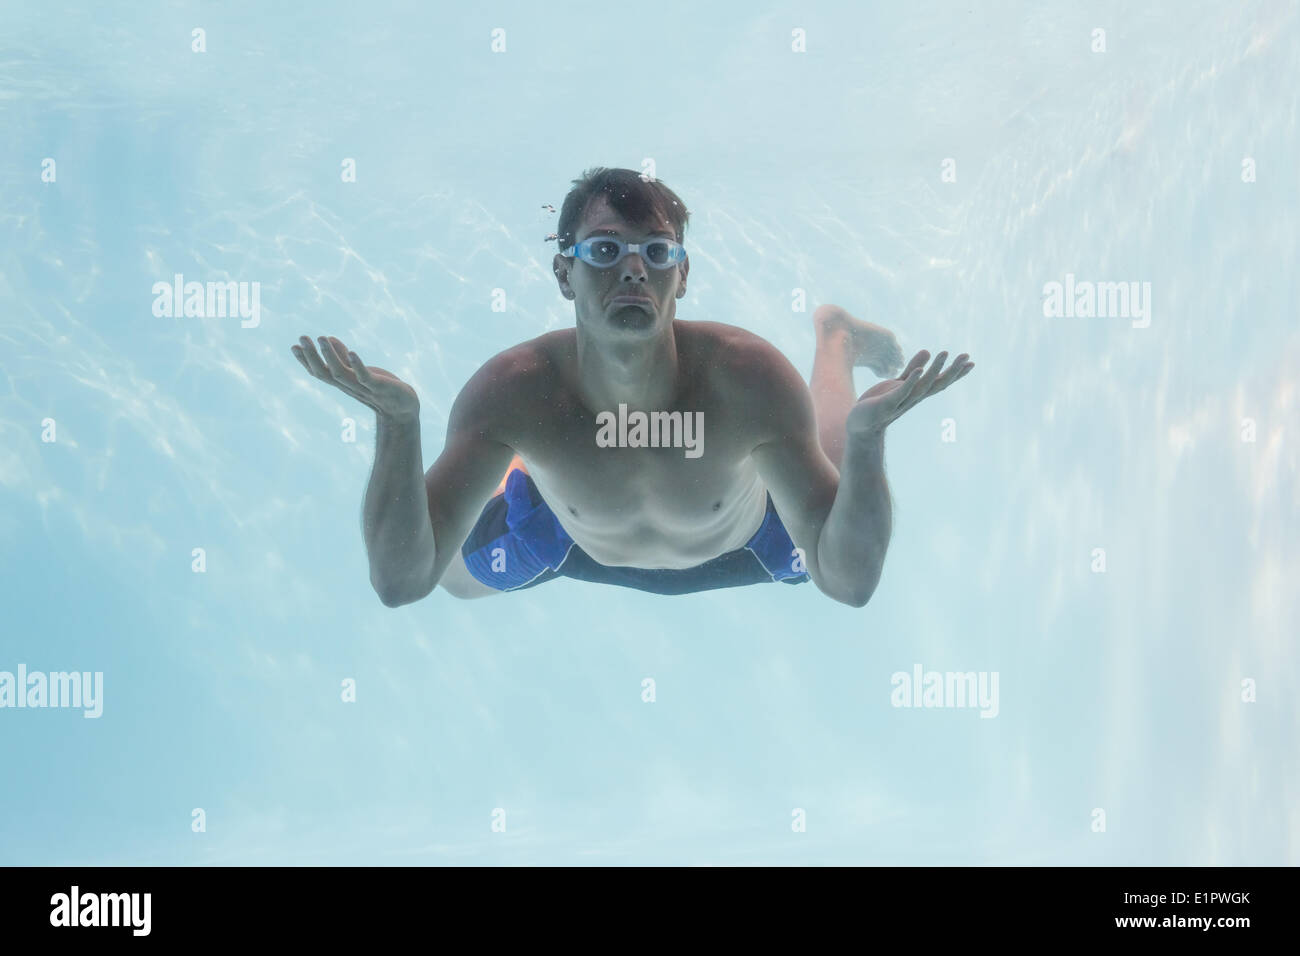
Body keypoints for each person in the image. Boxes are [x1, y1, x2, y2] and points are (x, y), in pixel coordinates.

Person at [290, 167, 973, 605]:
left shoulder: (747, 378)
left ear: (684, 275)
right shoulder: (510, 390)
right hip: (570, 537)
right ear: (565, 274)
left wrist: (869, 440)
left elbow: (850, 582)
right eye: (606, 249)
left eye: (656, 251)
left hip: (746, 535)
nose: (634, 270)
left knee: (834, 444)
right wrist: (398, 427)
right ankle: (536, 466)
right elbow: (400, 580)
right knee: (453, 580)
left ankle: (837, 340)